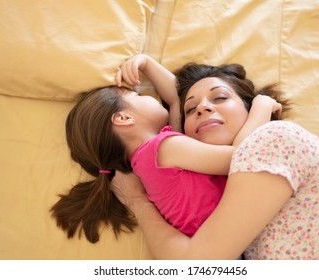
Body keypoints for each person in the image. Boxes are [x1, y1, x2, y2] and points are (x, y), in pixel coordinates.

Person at [111, 59, 319, 259]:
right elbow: (175, 101)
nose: (202, 108)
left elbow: (195, 265)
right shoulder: (190, 161)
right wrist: (146, 63)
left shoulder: (275, 139)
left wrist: (137, 201)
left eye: (220, 97)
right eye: (191, 109)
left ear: (249, 107)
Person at [50, 54, 286, 243]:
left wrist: (146, 63)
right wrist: (261, 106)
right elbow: (238, 158)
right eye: (136, 94)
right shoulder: (163, 148)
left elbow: (175, 99)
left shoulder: (149, 160)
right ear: (123, 119)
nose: (148, 95)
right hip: (225, 239)